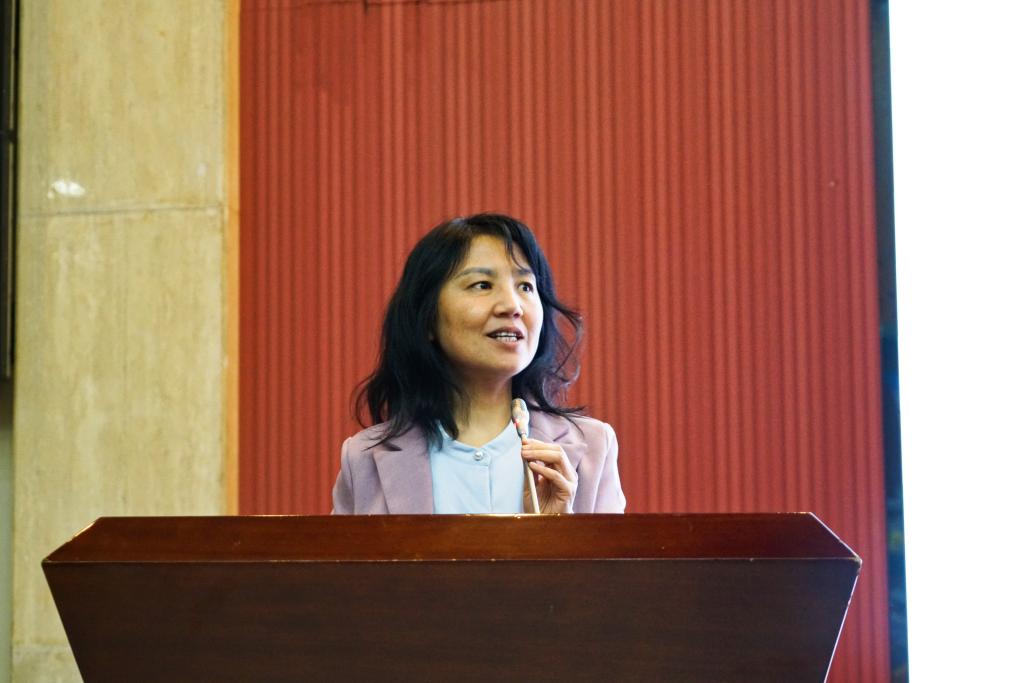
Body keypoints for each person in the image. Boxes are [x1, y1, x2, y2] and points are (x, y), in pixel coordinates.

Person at [332, 213, 626, 514]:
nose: (512, 306)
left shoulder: (593, 447)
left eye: (526, 286)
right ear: (427, 317)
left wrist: (558, 532)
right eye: (482, 285)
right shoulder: (364, 459)